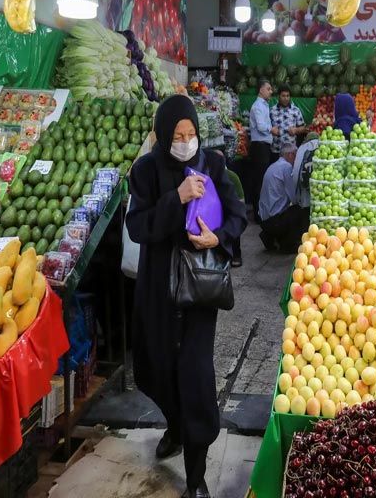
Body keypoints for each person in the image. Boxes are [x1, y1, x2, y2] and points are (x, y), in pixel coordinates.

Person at [126, 95, 247, 498]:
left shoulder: (212, 164)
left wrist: (220, 237)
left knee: (195, 381)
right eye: (177, 135)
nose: (185, 141)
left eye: (191, 133)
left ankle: (196, 477)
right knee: (155, 370)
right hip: (158, 295)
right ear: (163, 135)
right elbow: (138, 228)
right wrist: (175, 198)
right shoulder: (144, 171)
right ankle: (175, 428)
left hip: (198, 295)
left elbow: (237, 214)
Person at [258, 142, 310, 252]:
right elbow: (295, 199)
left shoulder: (274, 166)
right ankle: (287, 244)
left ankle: (270, 236)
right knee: (300, 210)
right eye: (295, 155)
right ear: (290, 155)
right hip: (274, 220)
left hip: (264, 219)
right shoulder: (286, 168)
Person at [249, 79, 279, 223]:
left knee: (262, 181)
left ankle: (261, 212)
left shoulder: (264, 105)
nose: (271, 91)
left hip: (264, 147)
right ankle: (257, 215)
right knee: (259, 182)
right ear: (261, 90)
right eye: (268, 88)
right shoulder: (257, 107)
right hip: (259, 147)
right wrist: (271, 129)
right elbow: (261, 127)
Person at [270, 84, 308, 160]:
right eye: (283, 96)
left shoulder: (295, 110)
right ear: (278, 96)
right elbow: (266, 127)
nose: (286, 98)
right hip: (276, 151)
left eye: (288, 96)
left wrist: (296, 130)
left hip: (290, 152)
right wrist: (271, 129)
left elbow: (305, 128)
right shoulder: (272, 111)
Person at [292, 131, 320, 209]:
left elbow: (295, 173)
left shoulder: (302, 148)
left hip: (305, 193)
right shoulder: (324, 146)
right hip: (321, 192)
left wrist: (297, 198)